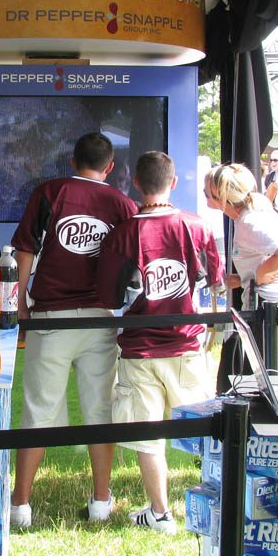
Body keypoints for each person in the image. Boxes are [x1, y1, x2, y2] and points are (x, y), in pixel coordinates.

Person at [9, 132, 139, 528]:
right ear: (111, 167)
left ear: (72, 160)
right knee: (99, 410)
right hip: (101, 318)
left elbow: (25, 248)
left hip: (51, 318)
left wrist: (21, 301)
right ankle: (101, 500)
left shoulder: (49, 191)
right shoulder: (122, 203)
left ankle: (20, 506)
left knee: (38, 411)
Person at [96, 152, 223, 533]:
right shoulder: (197, 226)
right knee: (205, 434)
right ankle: (220, 503)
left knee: (147, 435)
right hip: (186, 347)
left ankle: (160, 513)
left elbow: (108, 297)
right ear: (174, 182)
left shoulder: (123, 233)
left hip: (139, 350)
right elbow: (215, 279)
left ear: (135, 183)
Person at [204, 163, 278, 377]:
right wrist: (242, 278)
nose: (205, 199)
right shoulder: (248, 216)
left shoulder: (250, 221)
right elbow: (261, 256)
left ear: (220, 197)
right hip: (269, 307)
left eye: (207, 194)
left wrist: (261, 274)